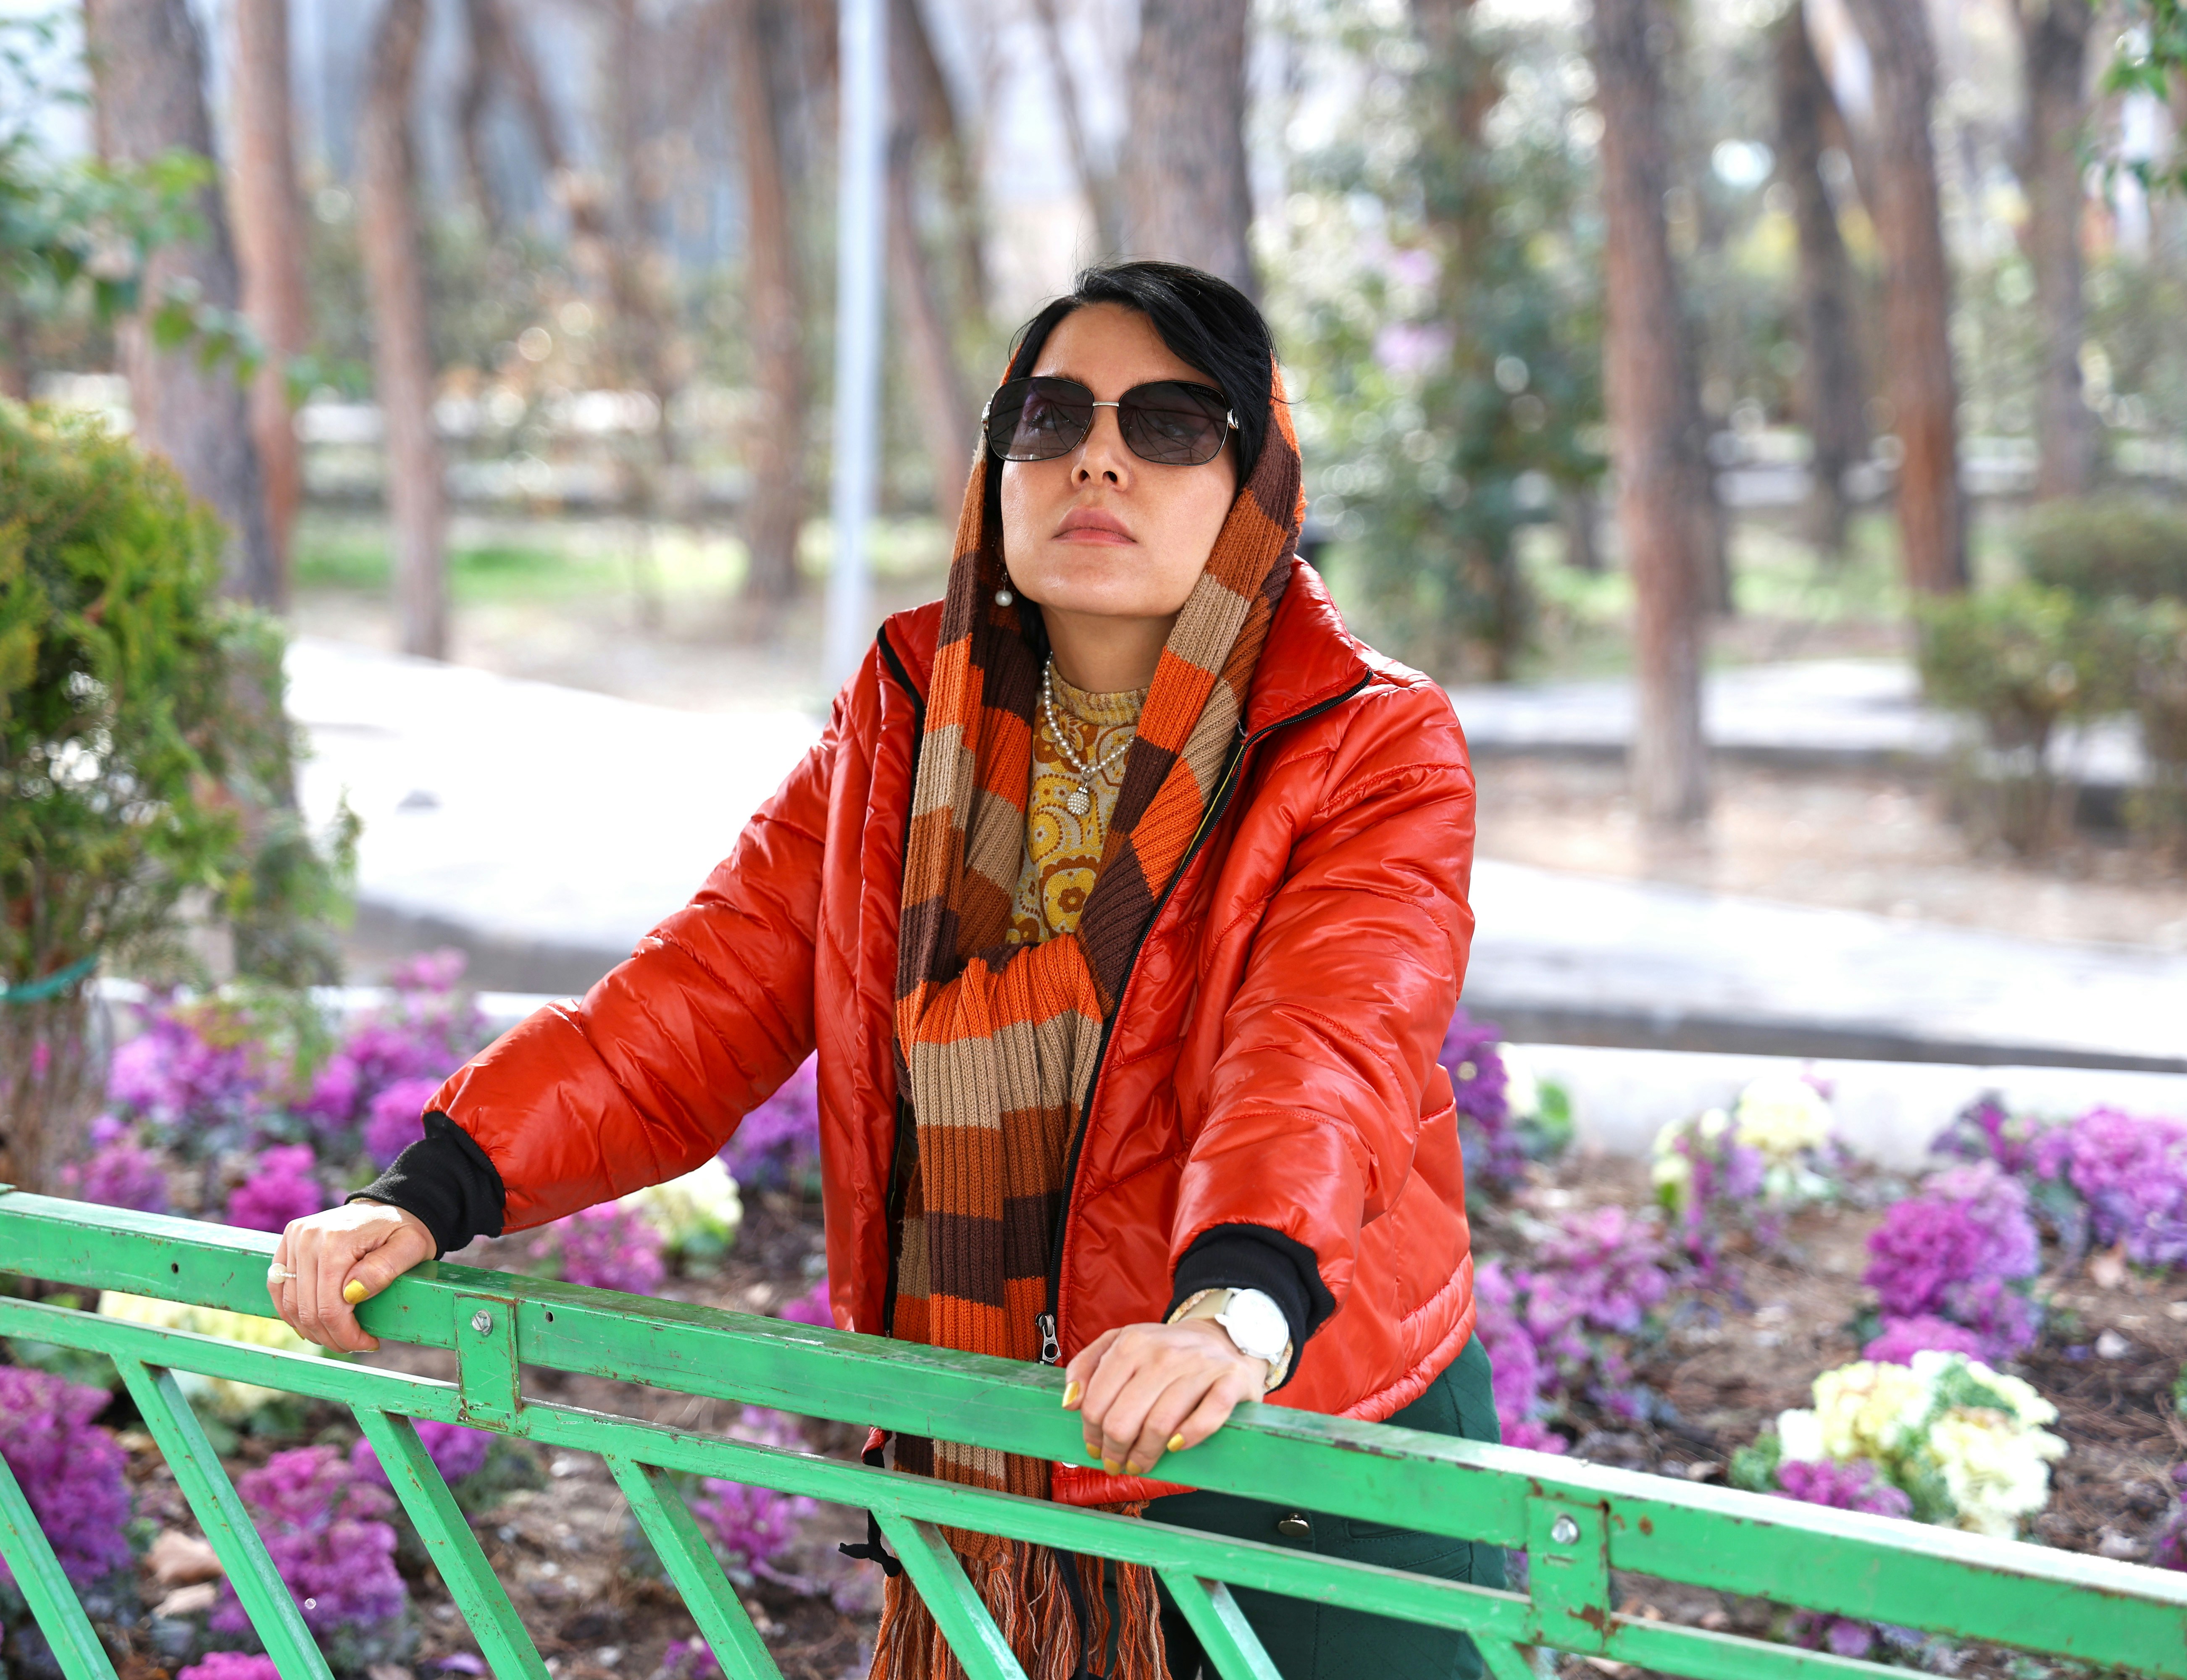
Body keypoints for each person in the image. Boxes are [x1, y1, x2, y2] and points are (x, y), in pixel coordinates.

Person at [269, 259, 1500, 1680]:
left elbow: (1327, 1047)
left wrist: (1234, 1310)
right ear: (998, 463)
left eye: (1169, 422)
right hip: (1002, 1453)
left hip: (1294, 1433)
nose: (1097, 454)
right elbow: (706, 990)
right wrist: (434, 1190)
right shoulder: (912, 707)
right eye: (1050, 416)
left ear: (1255, 481)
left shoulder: (1366, 738)